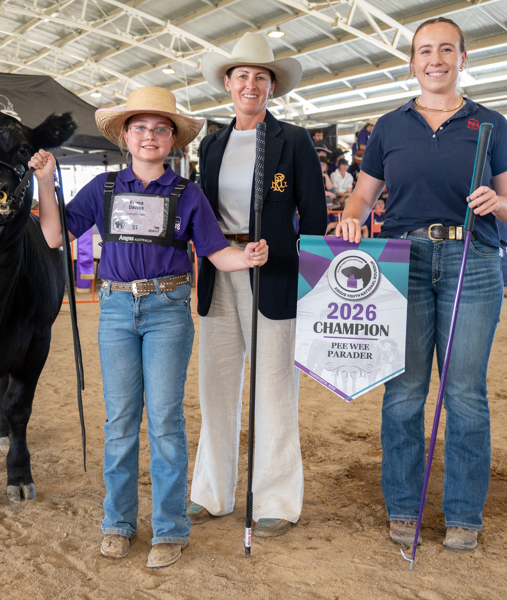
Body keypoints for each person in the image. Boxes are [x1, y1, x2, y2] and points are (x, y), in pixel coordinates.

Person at [31, 86, 268, 569]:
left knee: (164, 420)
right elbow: (54, 235)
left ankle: (170, 528)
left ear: (173, 140)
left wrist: (246, 256)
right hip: (117, 310)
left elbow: (216, 252)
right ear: (125, 135)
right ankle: (117, 523)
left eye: (161, 129)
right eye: (139, 127)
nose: (150, 136)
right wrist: (45, 182)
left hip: (168, 309)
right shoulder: (102, 188)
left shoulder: (188, 194)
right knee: (120, 421)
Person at [335, 17, 507, 552]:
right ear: (412, 61)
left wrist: (497, 202)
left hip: (473, 260)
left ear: (463, 57)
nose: (434, 59)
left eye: (445, 50)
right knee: (404, 390)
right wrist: (351, 218)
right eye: (424, 50)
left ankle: (463, 514)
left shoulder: (491, 125)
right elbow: (363, 196)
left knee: (464, 392)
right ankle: (403, 505)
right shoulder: (388, 127)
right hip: (404, 261)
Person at [190, 31, 327, 538]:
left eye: (261, 77)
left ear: (272, 86)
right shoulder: (211, 144)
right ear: (228, 83)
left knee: (273, 387)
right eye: (242, 75)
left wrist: (299, 270)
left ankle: (277, 499)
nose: (251, 84)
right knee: (216, 385)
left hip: (275, 274)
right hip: (220, 269)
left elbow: (314, 218)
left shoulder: (294, 141)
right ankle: (212, 491)